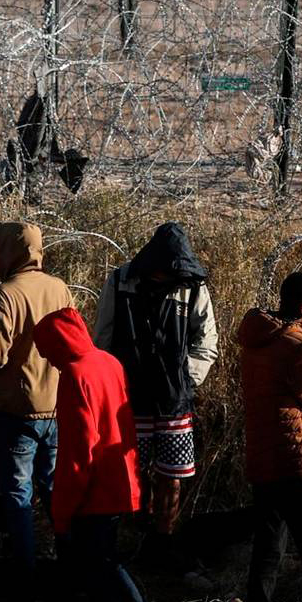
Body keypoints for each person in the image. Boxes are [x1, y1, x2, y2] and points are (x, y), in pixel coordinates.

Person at [31, 308, 155, 602]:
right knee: (107, 559)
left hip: (93, 488)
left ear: (57, 345)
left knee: (97, 569)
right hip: (121, 475)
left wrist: (63, 509)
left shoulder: (74, 374)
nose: (49, 362)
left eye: (47, 352)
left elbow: (77, 450)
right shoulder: (109, 362)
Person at [100, 222, 218, 536]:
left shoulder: (192, 286)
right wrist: (109, 386)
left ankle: (163, 538)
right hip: (128, 398)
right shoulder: (121, 282)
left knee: (172, 475)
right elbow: (103, 338)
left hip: (174, 400)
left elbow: (206, 342)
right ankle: (133, 537)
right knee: (130, 472)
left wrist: (185, 380)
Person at [0, 221, 74, 588]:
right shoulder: (60, 288)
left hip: (17, 409)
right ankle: (70, 569)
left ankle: (26, 579)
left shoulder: (6, 294)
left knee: (18, 495)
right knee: (55, 491)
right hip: (58, 405)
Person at [236, 270, 302, 602]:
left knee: (268, 544)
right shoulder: (300, 346)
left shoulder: (254, 342)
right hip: (299, 458)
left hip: (263, 456)